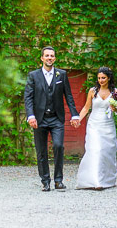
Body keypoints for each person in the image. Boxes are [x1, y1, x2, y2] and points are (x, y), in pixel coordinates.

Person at [23, 46, 81, 192]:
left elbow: (68, 96)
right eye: (47, 55)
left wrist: (74, 114)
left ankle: (58, 180)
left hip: (56, 118)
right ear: (42, 58)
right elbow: (28, 97)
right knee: (41, 151)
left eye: (52, 56)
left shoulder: (61, 75)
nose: (49, 58)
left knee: (58, 146)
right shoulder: (33, 75)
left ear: (54, 58)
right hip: (40, 119)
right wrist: (30, 116)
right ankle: (45, 181)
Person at [75, 66, 117, 190]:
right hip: (94, 124)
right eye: (99, 78)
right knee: (96, 149)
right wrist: (78, 119)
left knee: (107, 151)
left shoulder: (115, 92)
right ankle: (96, 181)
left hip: (108, 125)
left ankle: (108, 180)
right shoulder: (93, 91)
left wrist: (114, 108)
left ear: (109, 78)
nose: (101, 80)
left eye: (103, 78)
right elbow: (86, 107)